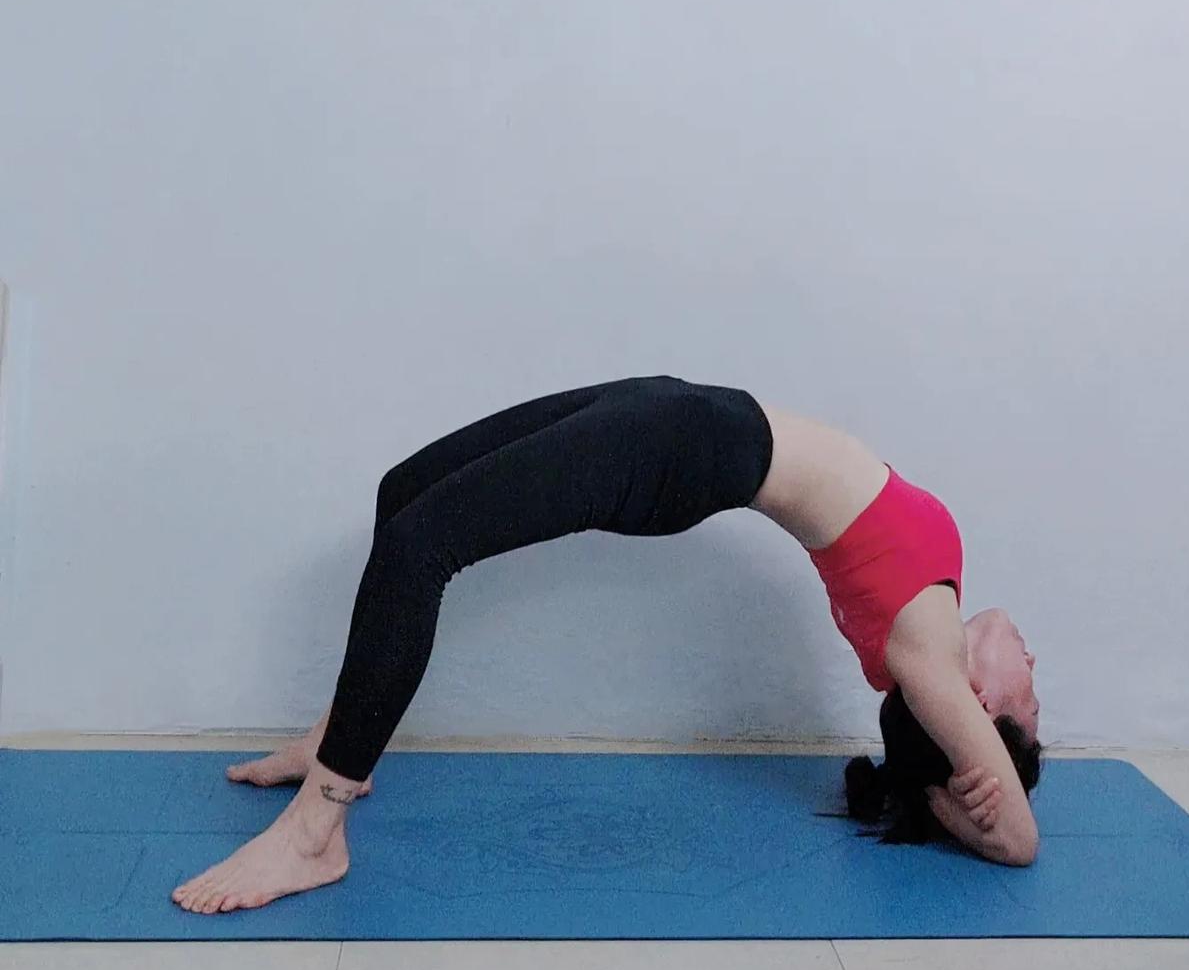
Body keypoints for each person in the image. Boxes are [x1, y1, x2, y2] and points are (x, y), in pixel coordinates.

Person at [171, 375, 1040, 914]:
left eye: (1030, 701)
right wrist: (946, 787)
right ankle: (339, 739)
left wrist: (954, 797)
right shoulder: (932, 611)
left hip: (688, 451)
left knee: (419, 548)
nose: (1034, 664)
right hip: (687, 413)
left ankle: (316, 832)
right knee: (406, 493)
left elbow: (1019, 841)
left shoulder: (925, 652)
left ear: (980, 710)